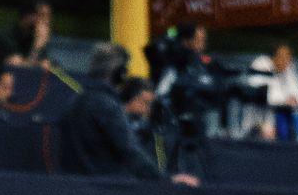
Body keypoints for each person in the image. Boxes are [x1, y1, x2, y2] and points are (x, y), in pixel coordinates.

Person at [60, 43, 196, 185]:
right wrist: (166, 180)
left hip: (74, 190)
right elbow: (130, 151)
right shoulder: (108, 106)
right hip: (106, 192)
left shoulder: (72, 102)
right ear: (121, 72)